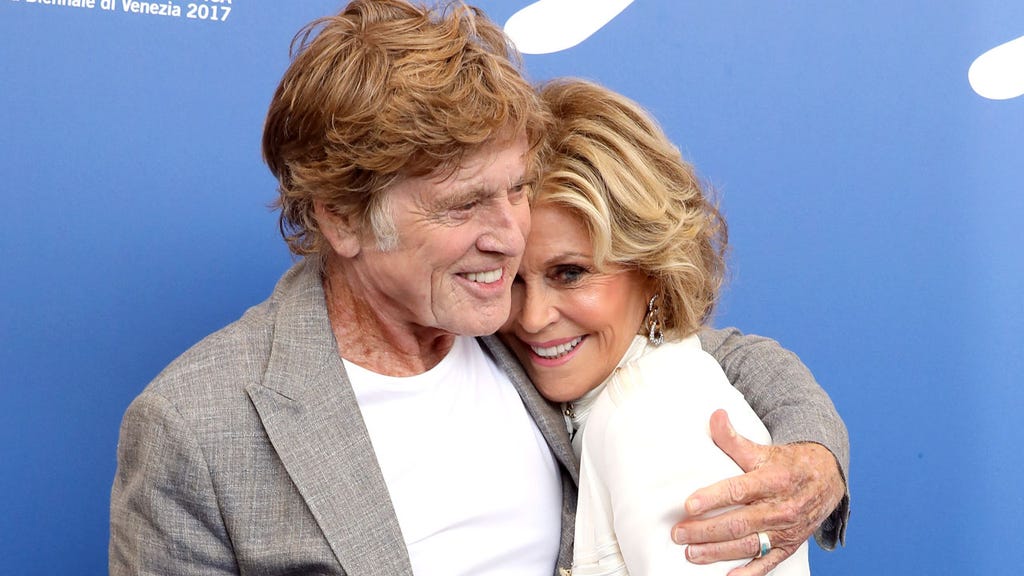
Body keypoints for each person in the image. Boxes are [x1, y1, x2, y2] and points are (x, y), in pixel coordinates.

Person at [109, 2, 848, 575]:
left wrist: (817, 457)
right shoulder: (195, 429)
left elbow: (704, 352)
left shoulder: (512, 324)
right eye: (463, 204)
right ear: (343, 218)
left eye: (517, 189)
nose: (509, 233)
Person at [499, 78, 828, 575]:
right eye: (509, 279)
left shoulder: (653, 417)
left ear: (651, 270)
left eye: (570, 273)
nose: (532, 316)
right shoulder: (621, 396)